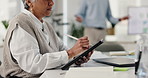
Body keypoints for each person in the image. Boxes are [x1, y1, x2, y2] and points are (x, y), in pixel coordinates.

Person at [0, 0, 92, 77]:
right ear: (29, 2)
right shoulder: (20, 24)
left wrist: (76, 58)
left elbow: (62, 50)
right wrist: (70, 53)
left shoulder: (46, 25)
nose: (52, 3)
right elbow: (33, 64)